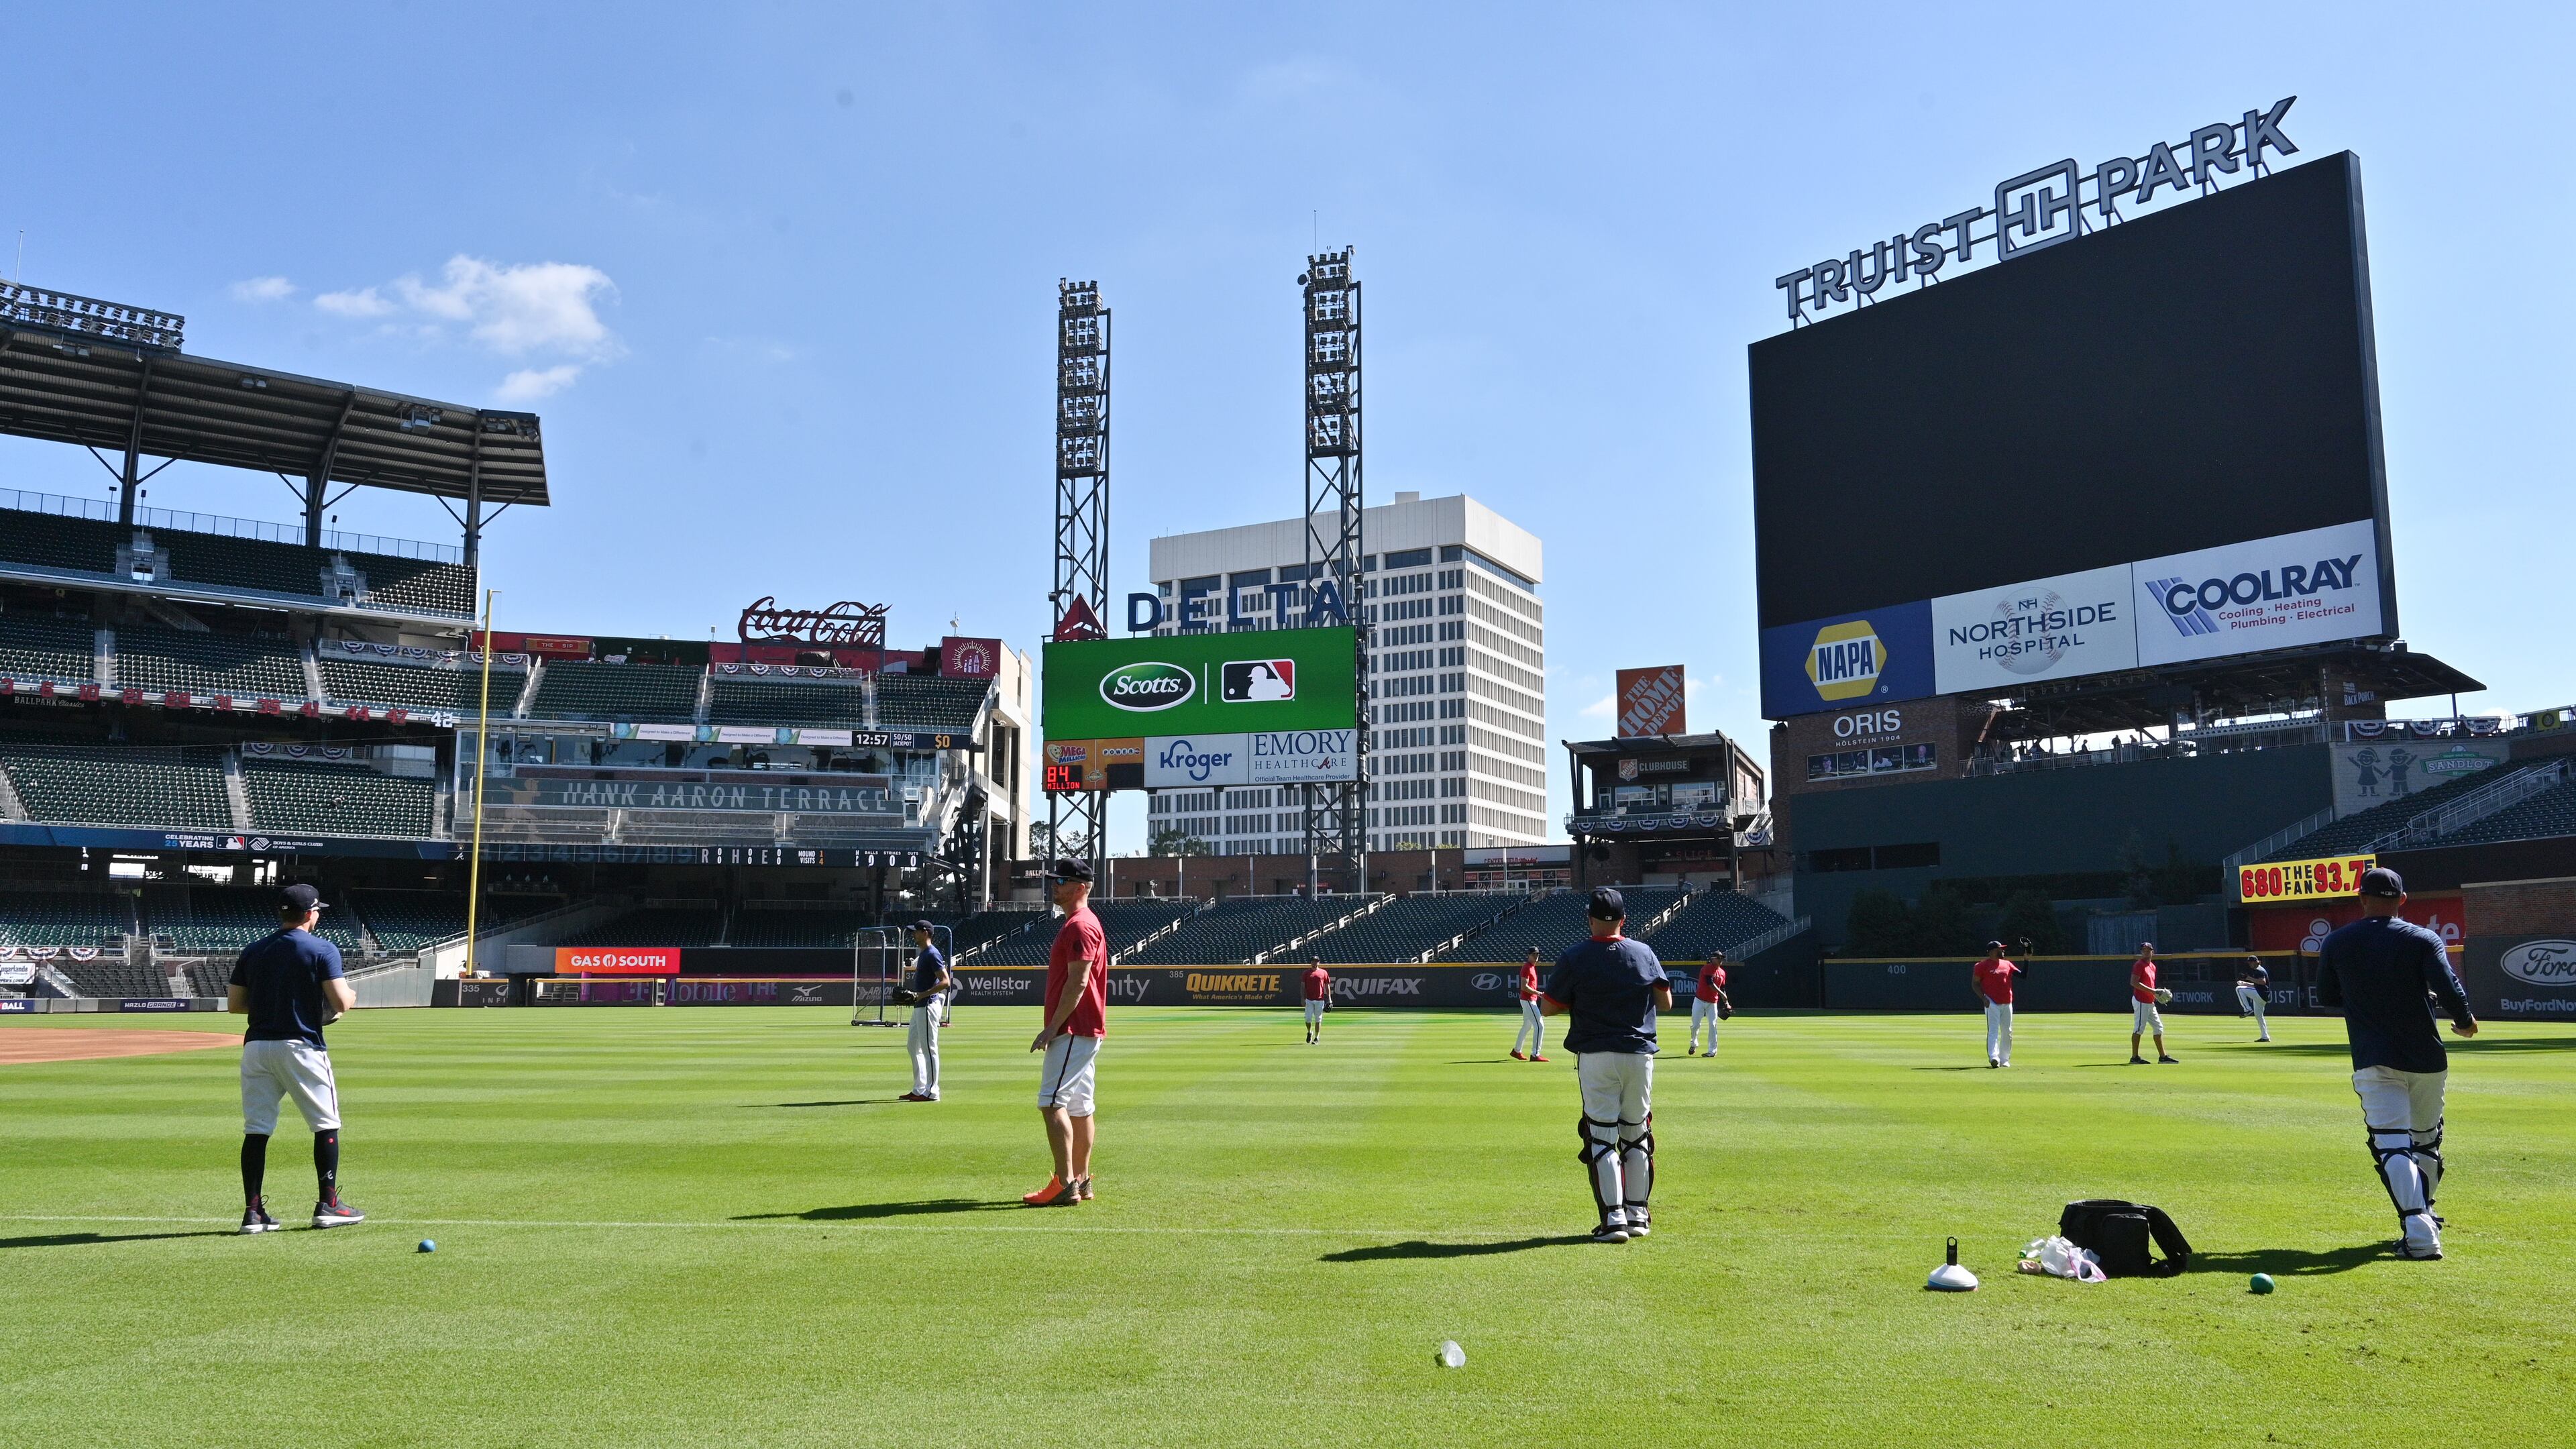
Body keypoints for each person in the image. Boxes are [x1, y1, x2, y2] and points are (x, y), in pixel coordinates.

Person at [2316, 867, 2477, 1261]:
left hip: (2374, 1056)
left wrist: (2364, 998)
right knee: (2427, 1140)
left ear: (2361, 897)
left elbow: (2326, 996)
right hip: (2425, 1056)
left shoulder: (2337, 941)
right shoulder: (2423, 938)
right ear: (2403, 899)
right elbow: (2448, 984)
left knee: (2392, 1145)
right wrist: (2464, 1020)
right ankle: (2426, 1213)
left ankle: (2419, 1229)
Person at [226, 883, 362, 1232]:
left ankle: (253, 1213)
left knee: (257, 1130)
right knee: (326, 1123)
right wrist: (349, 996)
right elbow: (341, 1002)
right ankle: (328, 1204)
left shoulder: (254, 950)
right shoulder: (322, 949)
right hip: (301, 1046)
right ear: (310, 914)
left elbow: (236, 1005)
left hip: (256, 1047)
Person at [1540, 888, 1672, 1244]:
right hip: (1639, 1054)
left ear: (1591, 919)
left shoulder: (1575, 956)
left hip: (1597, 1055)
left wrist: (1587, 1001)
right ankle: (1638, 1215)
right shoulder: (1643, 952)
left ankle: (1614, 1220)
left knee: (1600, 1136)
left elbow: (1549, 1008)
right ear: (1623, 920)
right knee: (1637, 1134)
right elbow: (1666, 1000)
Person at [1024, 859, 1108, 1207]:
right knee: (1080, 1107)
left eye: (1061, 880)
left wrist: (1052, 1027)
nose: (1054, 885)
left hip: (1073, 1028)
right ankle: (1083, 1180)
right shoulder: (1080, 923)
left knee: (1051, 1103)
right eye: (1054, 879)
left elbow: (1078, 981)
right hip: (1083, 1028)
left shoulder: (1079, 925)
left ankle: (1064, 1183)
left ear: (1081, 887)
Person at [898, 920, 953, 1102]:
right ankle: (920, 1087)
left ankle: (932, 1091)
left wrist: (921, 995)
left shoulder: (932, 953)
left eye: (916, 932)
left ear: (925, 933)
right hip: (920, 1005)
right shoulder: (924, 954)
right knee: (913, 1046)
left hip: (928, 1004)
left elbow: (946, 982)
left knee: (929, 1048)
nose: (914, 935)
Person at [1973, 941, 2020, 1068]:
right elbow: (1975, 983)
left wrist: (2027, 959)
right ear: (1993, 951)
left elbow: (2023, 975)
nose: (2003, 951)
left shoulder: (2007, 964)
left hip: (2007, 1002)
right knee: (1993, 1030)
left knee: (2007, 1031)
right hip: (1992, 1002)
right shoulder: (1982, 965)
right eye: (2001, 949)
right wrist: (1983, 998)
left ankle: (2004, 1059)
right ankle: (1994, 1057)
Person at [2128, 941, 2176, 1065]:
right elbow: (2134, 983)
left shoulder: (2153, 966)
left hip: (2149, 1002)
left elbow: (2150, 984)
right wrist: (2153, 991)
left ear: (2152, 952)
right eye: (2144, 950)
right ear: (2141, 952)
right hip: (2141, 1001)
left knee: (2158, 1027)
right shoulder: (2139, 965)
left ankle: (2163, 1057)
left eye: (2148, 950)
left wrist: (2154, 994)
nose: (2146, 952)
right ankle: (2135, 1058)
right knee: (2139, 1029)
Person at [1509, 948, 1548, 1062]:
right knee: (1540, 1026)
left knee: (1527, 1026)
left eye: (1537, 954)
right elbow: (1524, 987)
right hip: (1528, 1000)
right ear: (1529, 955)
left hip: (1530, 1000)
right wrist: (1539, 993)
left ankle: (1516, 1051)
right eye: (1534, 954)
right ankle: (1535, 1054)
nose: (1536, 956)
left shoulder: (1532, 967)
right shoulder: (1527, 967)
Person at [1688, 951, 1729, 1058]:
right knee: (1695, 1025)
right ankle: (1694, 1043)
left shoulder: (1722, 973)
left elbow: (1723, 988)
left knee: (1713, 1025)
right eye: (1719, 958)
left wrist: (1726, 1002)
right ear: (1713, 958)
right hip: (1700, 1000)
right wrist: (1722, 995)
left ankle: (1712, 1051)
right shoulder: (1707, 968)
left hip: (1712, 1003)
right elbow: (1710, 983)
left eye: (1722, 958)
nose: (1721, 960)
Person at [2236, 953, 2273, 1042]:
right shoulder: (2258, 970)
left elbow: (2263, 982)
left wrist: (2249, 978)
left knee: (2239, 989)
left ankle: (2247, 1009)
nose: (2250, 964)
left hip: (2261, 994)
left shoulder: (2259, 970)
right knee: (2259, 1016)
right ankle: (2265, 1036)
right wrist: (2246, 983)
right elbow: (2257, 985)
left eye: (2251, 962)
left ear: (2257, 962)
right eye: (2249, 962)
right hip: (2262, 995)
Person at [1302, 956, 1331, 1044]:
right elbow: (1303, 986)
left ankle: (1317, 1038)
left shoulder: (1323, 972)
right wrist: (1303, 998)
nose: (1314, 963)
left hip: (1320, 999)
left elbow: (1327, 986)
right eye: (1313, 961)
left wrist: (1329, 998)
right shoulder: (1306, 973)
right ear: (1311, 963)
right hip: (1309, 1000)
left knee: (1318, 1019)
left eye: (1316, 962)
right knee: (1308, 1019)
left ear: (1319, 963)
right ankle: (1310, 1032)